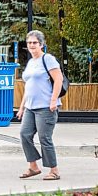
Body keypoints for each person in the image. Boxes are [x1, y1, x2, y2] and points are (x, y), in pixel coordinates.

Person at [17, 30, 63, 181]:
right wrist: (22, 107)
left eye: (34, 43)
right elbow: (29, 86)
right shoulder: (31, 62)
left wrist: (53, 100)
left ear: (41, 44)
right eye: (29, 43)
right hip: (30, 107)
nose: (31, 45)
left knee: (45, 138)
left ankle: (54, 170)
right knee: (24, 134)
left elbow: (58, 79)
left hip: (46, 107)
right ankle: (33, 167)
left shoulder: (48, 59)